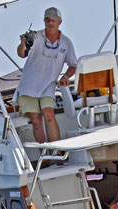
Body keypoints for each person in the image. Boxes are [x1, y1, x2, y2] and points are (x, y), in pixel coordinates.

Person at [16, 7, 77, 144]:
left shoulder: (66, 43)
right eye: (47, 19)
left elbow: (73, 65)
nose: (50, 22)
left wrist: (65, 77)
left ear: (59, 22)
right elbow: (21, 54)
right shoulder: (36, 37)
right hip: (28, 87)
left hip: (48, 85)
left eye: (53, 20)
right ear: (44, 21)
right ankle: (45, 155)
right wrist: (23, 43)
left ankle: (58, 152)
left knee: (49, 116)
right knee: (36, 121)